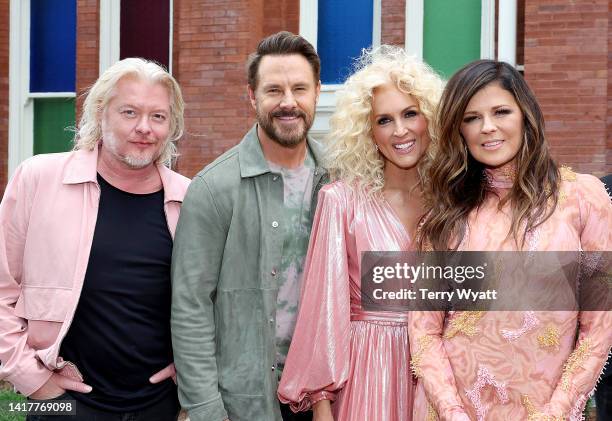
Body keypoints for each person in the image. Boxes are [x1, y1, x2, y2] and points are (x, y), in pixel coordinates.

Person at [410, 60, 612, 420]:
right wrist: (452, 412)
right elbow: (424, 333)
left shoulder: (584, 198)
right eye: (471, 118)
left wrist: (557, 412)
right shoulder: (444, 218)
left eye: (501, 111)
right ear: (459, 130)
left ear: (525, 116)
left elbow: (599, 328)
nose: (487, 127)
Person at [0, 58, 190, 420]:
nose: (144, 128)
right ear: (100, 114)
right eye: (129, 112)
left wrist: (188, 371)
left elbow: (212, 305)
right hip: (62, 404)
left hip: (157, 405)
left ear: (172, 126)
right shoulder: (38, 179)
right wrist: (33, 380)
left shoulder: (189, 200)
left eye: (158, 117)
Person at [277, 46, 444, 421]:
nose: (400, 130)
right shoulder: (341, 202)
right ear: (367, 132)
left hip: (440, 379)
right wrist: (322, 405)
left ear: (431, 118)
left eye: (410, 114)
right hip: (368, 374)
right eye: (383, 120)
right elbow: (323, 310)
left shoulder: (453, 202)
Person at [170, 31, 327, 421]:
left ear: (317, 93)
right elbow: (191, 304)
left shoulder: (340, 181)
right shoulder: (213, 188)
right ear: (252, 96)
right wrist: (205, 409)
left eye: (299, 89)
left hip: (328, 399)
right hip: (244, 403)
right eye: (274, 90)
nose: (288, 102)